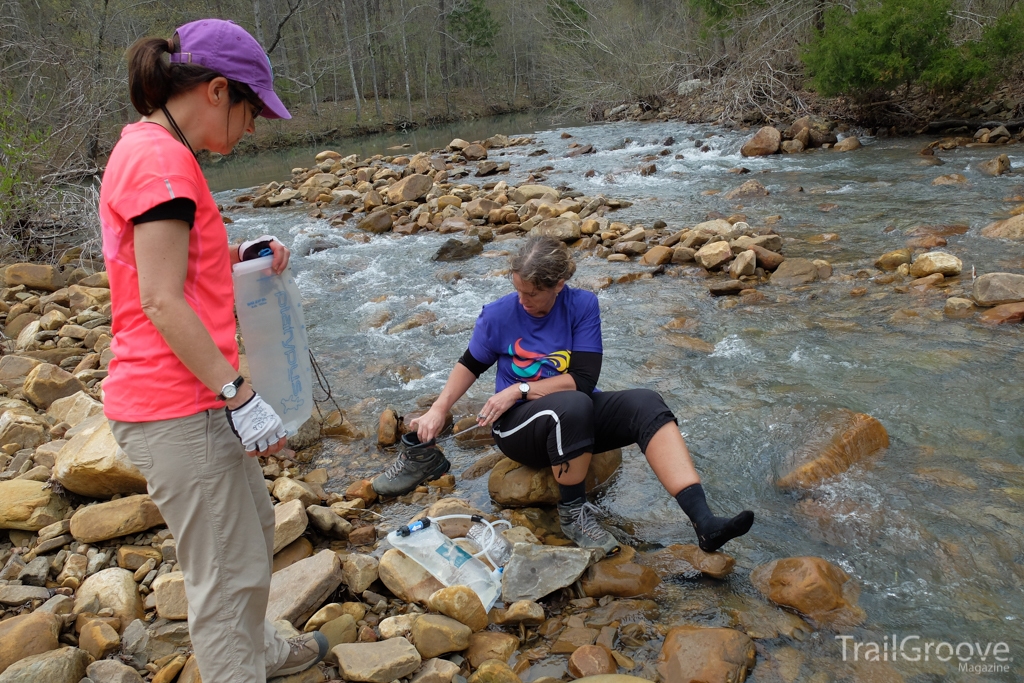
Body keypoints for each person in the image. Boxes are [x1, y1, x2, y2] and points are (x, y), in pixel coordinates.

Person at [99, 20, 327, 683]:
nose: (252, 129)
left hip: (186, 397)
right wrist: (240, 392)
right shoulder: (161, 161)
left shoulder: (150, 148)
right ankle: (239, 664)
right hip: (179, 404)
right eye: (252, 111)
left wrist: (240, 256)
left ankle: (257, 647)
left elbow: (175, 266)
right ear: (219, 90)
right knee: (225, 576)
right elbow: (162, 300)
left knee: (252, 529)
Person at [373, 235, 754, 556]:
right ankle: (573, 514)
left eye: (533, 294)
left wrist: (518, 388)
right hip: (518, 428)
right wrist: (439, 410)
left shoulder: (582, 305)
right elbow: (471, 363)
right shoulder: (498, 314)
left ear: (559, 285)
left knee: (647, 403)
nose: (523, 300)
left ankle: (703, 522)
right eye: (518, 290)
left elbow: (585, 379)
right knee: (570, 407)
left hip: (571, 412)